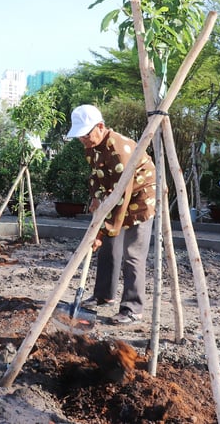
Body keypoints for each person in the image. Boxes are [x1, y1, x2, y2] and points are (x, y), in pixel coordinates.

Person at [68, 104, 156, 325]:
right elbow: (97, 178)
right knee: (108, 248)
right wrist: (96, 201)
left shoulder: (118, 150)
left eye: (85, 134)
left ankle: (132, 308)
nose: (83, 140)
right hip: (115, 196)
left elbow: (122, 196)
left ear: (100, 126)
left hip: (140, 198)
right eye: (80, 136)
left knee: (132, 253)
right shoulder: (92, 146)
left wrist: (105, 228)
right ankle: (104, 295)